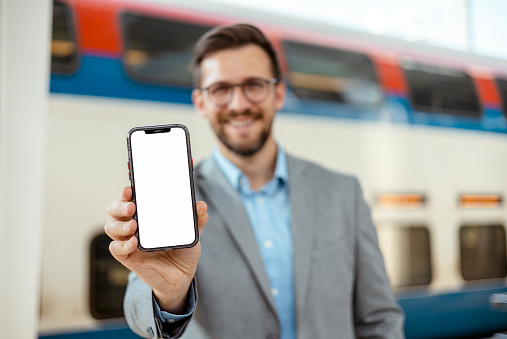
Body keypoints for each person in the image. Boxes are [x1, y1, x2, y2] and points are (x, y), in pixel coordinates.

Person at [105, 23, 405, 339]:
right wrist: (170, 295)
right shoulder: (175, 198)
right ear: (200, 103)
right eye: (220, 89)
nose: (238, 104)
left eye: (253, 85)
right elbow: (140, 314)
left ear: (278, 93)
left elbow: (380, 318)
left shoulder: (343, 193)